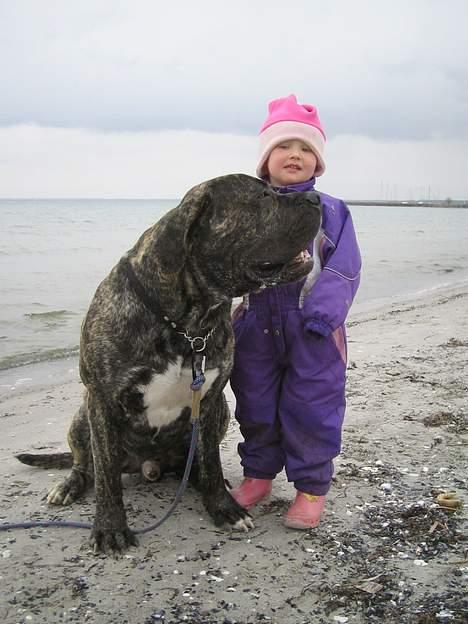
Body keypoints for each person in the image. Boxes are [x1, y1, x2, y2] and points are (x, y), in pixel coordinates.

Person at [230, 94, 361, 529]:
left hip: (313, 330)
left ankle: (310, 488)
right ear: (266, 156)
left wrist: (322, 317)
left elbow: (344, 269)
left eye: (306, 149)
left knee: (313, 407)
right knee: (255, 403)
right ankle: (258, 475)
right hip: (254, 327)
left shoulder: (330, 211)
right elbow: (222, 263)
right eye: (285, 146)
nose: (295, 155)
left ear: (317, 162)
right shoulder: (245, 209)